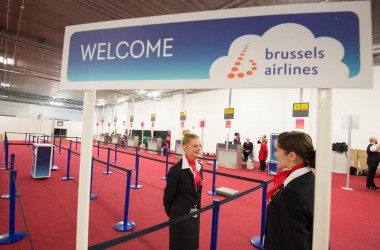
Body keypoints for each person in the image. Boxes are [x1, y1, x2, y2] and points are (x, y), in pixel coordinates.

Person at [264, 131, 315, 250]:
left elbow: (296, 243)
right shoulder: (309, 179)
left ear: (291, 155)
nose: (275, 154)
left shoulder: (292, 193)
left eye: (277, 150)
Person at [163, 133, 203, 250]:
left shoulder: (199, 167)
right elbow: (168, 197)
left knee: (192, 244)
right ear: (185, 147)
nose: (199, 149)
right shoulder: (176, 170)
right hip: (180, 217)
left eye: (200, 145)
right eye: (195, 146)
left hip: (195, 214)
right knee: (179, 245)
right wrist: (173, 214)